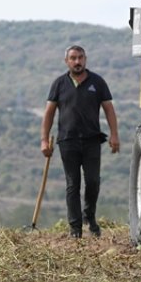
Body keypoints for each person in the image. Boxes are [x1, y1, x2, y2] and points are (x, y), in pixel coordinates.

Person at [41, 45, 119, 238]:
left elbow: (109, 109)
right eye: (73, 58)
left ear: (85, 59)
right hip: (68, 141)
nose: (77, 62)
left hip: (92, 140)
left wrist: (114, 135)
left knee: (93, 181)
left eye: (80, 58)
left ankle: (89, 216)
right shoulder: (59, 84)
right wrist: (44, 140)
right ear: (66, 61)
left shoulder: (98, 82)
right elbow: (49, 113)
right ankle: (75, 228)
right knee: (72, 184)